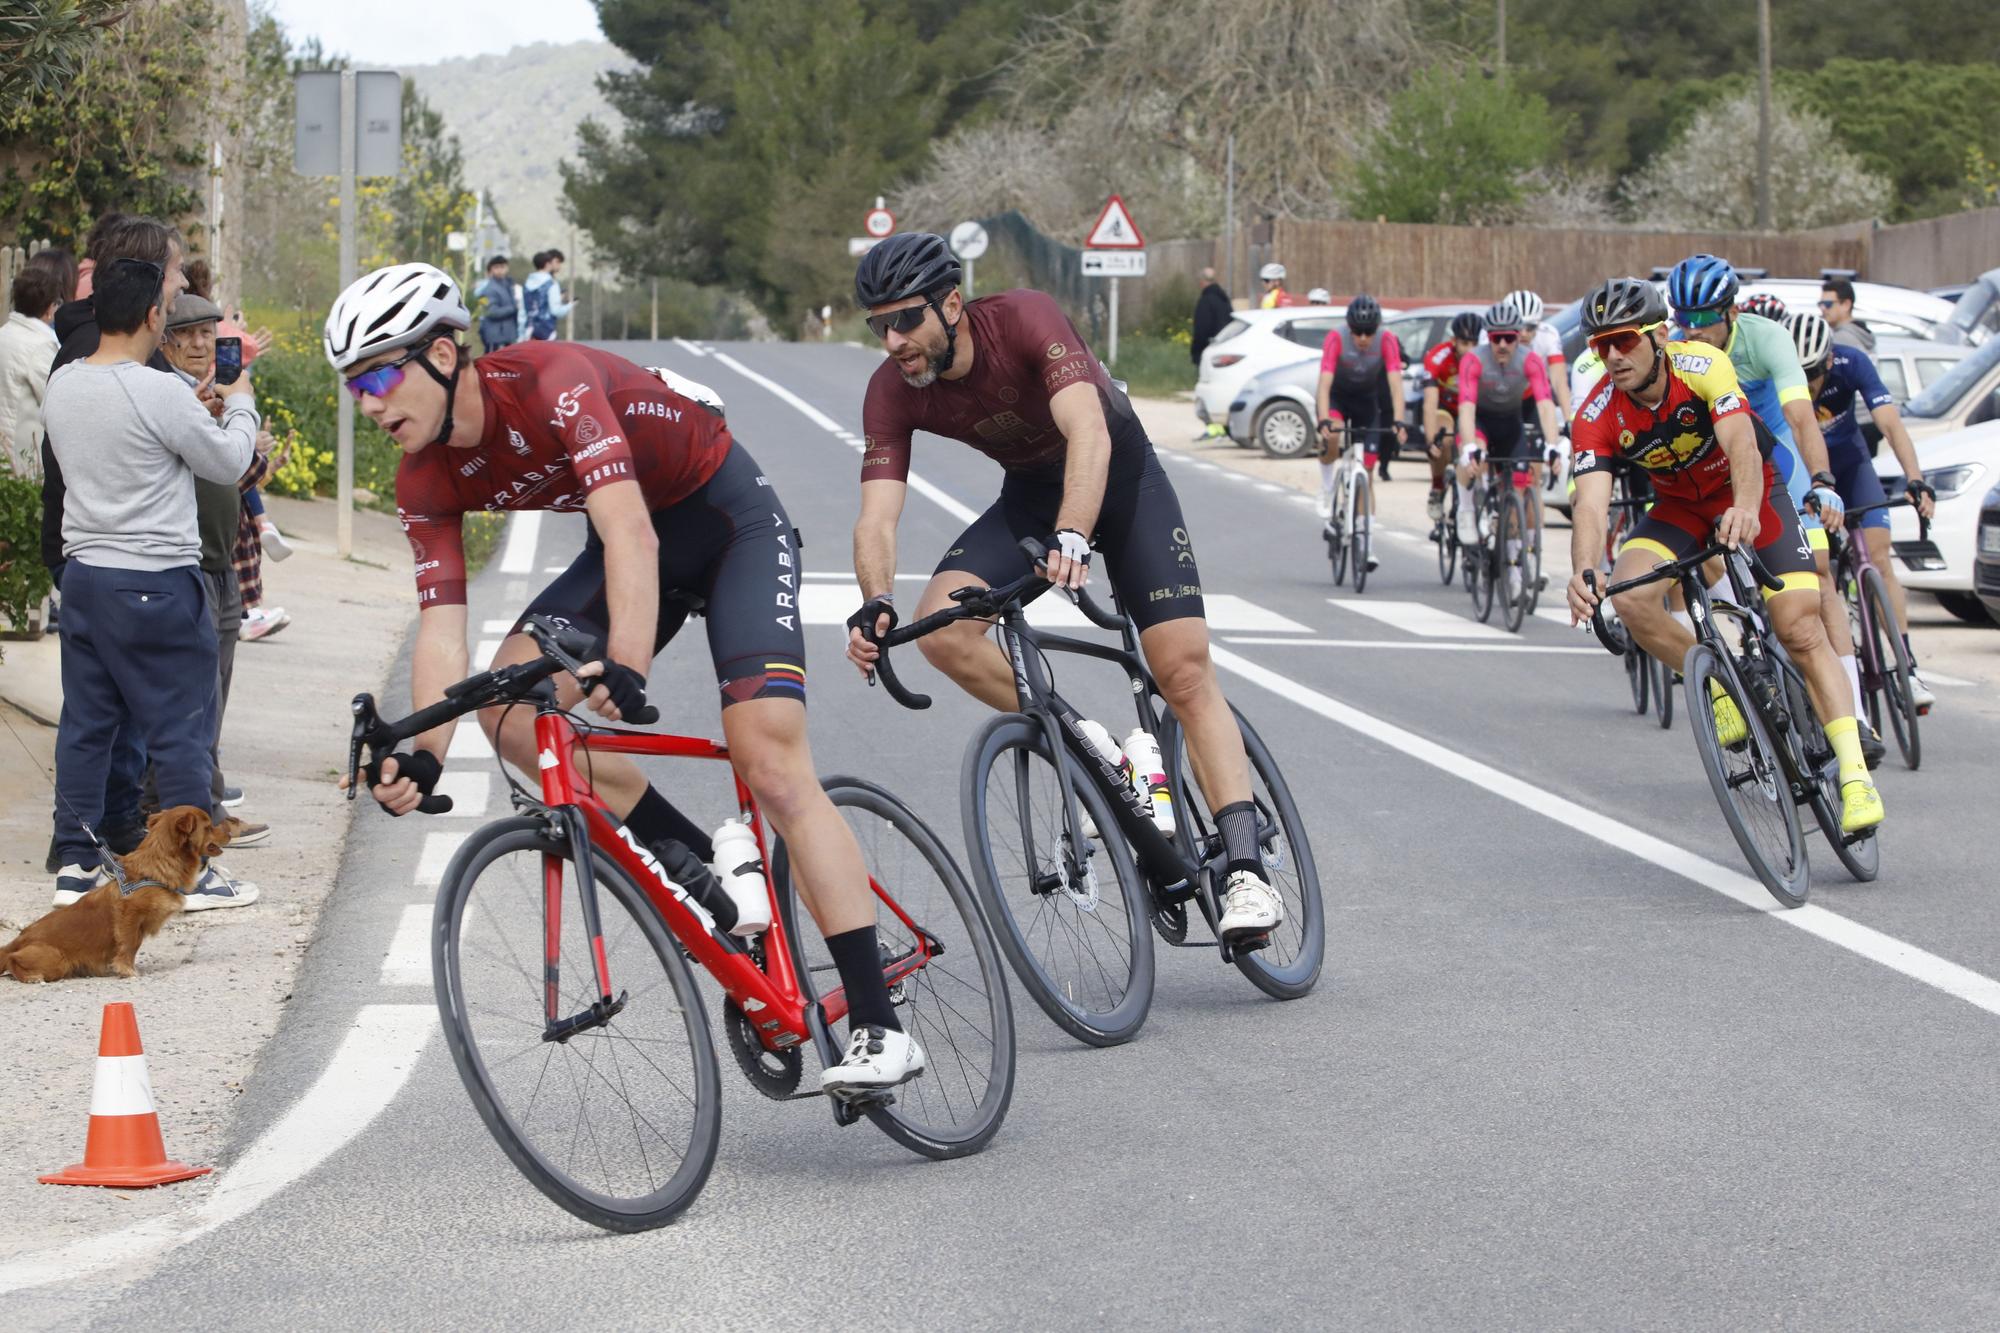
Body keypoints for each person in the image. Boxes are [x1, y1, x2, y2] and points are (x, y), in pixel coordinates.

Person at [332, 263, 922, 1094]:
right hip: (628, 549)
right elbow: (442, 629)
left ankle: (877, 1024)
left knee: (772, 762)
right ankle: (705, 877)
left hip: (728, 524)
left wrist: (630, 667)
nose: (369, 402)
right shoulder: (421, 476)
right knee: (507, 710)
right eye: (355, 387)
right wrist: (424, 749)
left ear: (440, 353)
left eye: (381, 376)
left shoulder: (551, 383)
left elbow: (632, 534)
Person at [844, 232, 1286, 943]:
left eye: (906, 319)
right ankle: (1095, 746)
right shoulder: (892, 391)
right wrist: (874, 602)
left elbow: (1088, 430)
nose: (893, 339)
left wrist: (1076, 532)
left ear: (951, 304)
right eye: (878, 325)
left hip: (1122, 482)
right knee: (944, 629)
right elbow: (876, 514)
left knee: (1180, 666)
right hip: (1032, 495)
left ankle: (1245, 869)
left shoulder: (1024, 318)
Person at [1564, 276, 1884, 835]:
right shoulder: (1596, 412)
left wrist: (1744, 506)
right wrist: (1584, 569)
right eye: (1600, 345)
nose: (1613, 355)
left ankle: (1855, 776)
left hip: (1754, 488)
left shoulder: (1702, 366)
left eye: (1624, 340)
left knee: (1798, 626)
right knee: (1632, 599)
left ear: (1658, 335)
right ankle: (1720, 686)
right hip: (1679, 508)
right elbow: (1591, 503)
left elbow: (1739, 441)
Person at [42, 245, 266, 908]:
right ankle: (187, 872)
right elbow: (226, 461)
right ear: (149, 315)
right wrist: (241, 400)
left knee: (86, 724)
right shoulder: (159, 390)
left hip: (85, 578)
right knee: (181, 729)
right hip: (159, 582)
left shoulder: (66, 382)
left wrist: (184, 409)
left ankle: (75, 865)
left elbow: (122, 437)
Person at [1666, 253, 1876, 758]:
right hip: (1711, 463)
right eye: (1683, 319)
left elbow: (1801, 418)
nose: (1692, 331)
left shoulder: (1766, 339)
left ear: (1731, 313)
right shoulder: (1674, 350)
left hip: (1776, 454)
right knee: (1692, 557)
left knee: (1821, 572)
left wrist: (1822, 480)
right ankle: (1745, 628)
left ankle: (1857, 717)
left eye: (1704, 320)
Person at [154, 292, 273, 848]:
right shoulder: (167, 398)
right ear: (165, 340)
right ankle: (188, 820)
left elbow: (235, 473)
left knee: (215, 697)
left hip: (223, 563)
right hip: (188, 566)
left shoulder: (211, 399)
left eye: (209, 334)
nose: (201, 345)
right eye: (189, 335)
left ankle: (213, 806)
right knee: (191, 702)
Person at [1787, 310, 1939, 710]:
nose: (1806, 384)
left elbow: (1891, 425)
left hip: (1852, 468)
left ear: (1827, 361)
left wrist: (1915, 478)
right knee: (1820, 574)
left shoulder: (1852, 364)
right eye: (1796, 374)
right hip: (1805, 476)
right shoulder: (1779, 378)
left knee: (1879, 558)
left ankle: (1907, 667)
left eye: (1812, 374)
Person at [1454, 299, 1562, 598]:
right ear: (1487, 338)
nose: (1502, 345)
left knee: (1518, 488)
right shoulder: (1474, 360)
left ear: (1518, 337)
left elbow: (1544, 404)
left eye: (1509, 338)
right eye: (1495, 338)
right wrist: (1469, 448)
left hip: (1510, 425)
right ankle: (1465, 509)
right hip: (1480, 423)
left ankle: (1515, 571)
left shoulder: (1530, 361)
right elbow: (1465, 407)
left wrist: (1553, 445)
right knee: (1472, 452)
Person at [1313, 294, 1404, 533]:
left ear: (1377, 328)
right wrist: (1323, 419)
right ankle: (1325, 487)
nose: (1363, 338)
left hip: (1367, 401)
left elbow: (1396, 385)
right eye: (1357, 331)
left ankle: (1365, 538)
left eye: (1369, 332)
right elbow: (1323, 384)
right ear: (1349, 328)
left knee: (1368, 472)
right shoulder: (1336, 338)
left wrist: (1399, 421)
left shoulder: (1387, 340)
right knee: (1332, 436)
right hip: (1338, 397)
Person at [0, 257, 65, 476]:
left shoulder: (4, 333)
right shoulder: (40, 347)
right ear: (50, 308)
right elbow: (56, 401)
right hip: (23, 460)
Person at [1419, 310, 1484, 530]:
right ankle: (1437, 486)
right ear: (1453, 341)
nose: (1469, 349)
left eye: (1474, 343)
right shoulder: (1438, 357)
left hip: (1472, 409)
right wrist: (1430, 441)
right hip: (1444, 407)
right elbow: (1429, 402)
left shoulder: (1484, 358)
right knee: (1443, 437)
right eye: (1464, 343)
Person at [522, 249, 574, 341]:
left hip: (529, 330)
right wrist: (570, 305)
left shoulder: (527, 283)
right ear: (547, 264)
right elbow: (555, 311)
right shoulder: (551, 283)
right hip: (547, 330)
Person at [473, 254, 520, 353]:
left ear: (507, 268)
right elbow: (492, 312)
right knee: (494, 366)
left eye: (502, 267)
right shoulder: (490, 289)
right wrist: (513, 308)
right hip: (496, 336)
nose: (500, 270)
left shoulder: (508, 284)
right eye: (496, 267)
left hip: (507, 334)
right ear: (491, 270)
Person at [1190, 267, 1233, 365]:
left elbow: (1201, 329)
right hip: (1225, 348)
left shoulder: (1205, 302)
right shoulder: (1224, 299)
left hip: (1208, 351)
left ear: (1202, 281)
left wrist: (1196, 352)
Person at [1820, 277, 1873, 352]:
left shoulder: (1842, 339)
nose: (1822, 308)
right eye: (1820, 304)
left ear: (1846, 304)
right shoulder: (1861, 334)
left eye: (1828, 304)